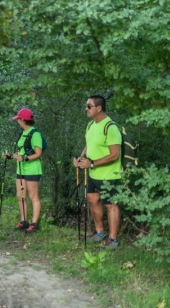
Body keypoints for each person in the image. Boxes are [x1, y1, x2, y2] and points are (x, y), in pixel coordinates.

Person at [73, 95, 123, 250]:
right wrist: (81, 158)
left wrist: (92, 163)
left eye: (89, 106)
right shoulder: (90, 126)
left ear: (99, 108)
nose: (86, 109)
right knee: (92, 200)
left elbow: (115, 154)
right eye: (86, 106)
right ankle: (100, 233)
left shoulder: (110, 127)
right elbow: (89, 145)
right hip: (93, 174)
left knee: (111, 205)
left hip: (110, 175)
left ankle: (113, 240)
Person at [3, 108, 43, 234]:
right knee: (20, 196)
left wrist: (25, 158)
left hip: (32, 169)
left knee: (33, 196)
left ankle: (35, 223)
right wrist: (11, 156)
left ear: (23, 120)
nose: (17, 121)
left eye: (18, 119)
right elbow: (21, 152)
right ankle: (24, 221)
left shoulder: (35, 134)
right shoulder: (23, 133)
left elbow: (38, 154)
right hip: (21, 168)